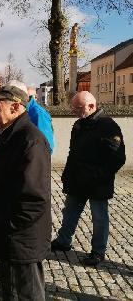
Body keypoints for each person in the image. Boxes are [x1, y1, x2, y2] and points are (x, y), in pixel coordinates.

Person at [0, 85, 51, 299]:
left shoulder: (31, 140)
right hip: (6, 233)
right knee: (9, 291)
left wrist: (8, 228)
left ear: (15, 107)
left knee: (27, 294)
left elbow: (35, 198)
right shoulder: (3, 135)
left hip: (20, 238)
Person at [52, 91, 126, 266]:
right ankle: (63, 241)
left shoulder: (108, 126)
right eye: (73, 108)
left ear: (91, 106)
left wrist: (97, 176)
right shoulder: (79, 124)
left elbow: (117, 158)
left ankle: (98, 252)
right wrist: (67, 174)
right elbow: (73, 153)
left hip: (97, 183)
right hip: (77, 180)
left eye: (78, 108)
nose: (74, 111)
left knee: (99, 218)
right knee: (69, 212)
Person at [22, 84, 55, 153]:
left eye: (29, 97)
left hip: (37, 157)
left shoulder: (38, 113)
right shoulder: (27, 111)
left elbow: (46, 141)